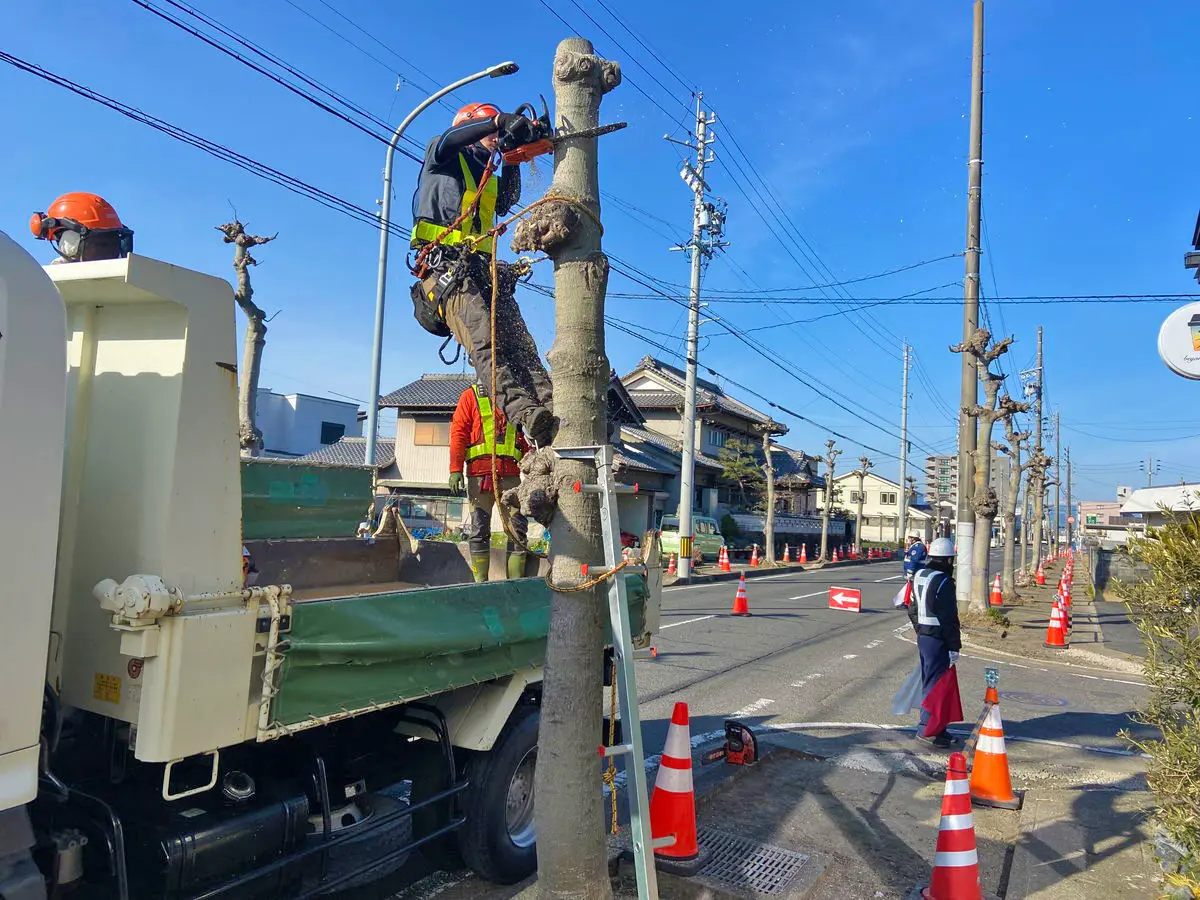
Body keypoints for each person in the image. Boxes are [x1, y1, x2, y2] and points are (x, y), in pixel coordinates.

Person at [410, 103, 555, 445]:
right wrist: (499, 121)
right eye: (487, 131)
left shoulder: (484, 172)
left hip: (483, 271)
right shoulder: (441, 153)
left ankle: (553, 406)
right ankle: (525, 414)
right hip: (447, 270)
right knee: (486, 345)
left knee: (522, 347)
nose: (493, 138)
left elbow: (505, 200)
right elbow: (453, 138)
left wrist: (514, 160)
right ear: (473, 126)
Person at [449, 383, 532, 582]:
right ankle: (481, 584)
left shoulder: (515, 397)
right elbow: (459, 432)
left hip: (511, 476)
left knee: (517, 532)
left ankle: (516, 585)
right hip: (480, 477)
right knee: (479, 530)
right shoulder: (471, 396)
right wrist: (455, 469)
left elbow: (526, 437)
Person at [907, 536, 962, 748]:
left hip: (924, 637)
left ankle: (938, 727)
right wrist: (954, 646)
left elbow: (910, 607)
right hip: (938, 639)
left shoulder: (920, 575)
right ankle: (927, 729)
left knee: (931, 681)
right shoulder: (944, 581)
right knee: (935, 685)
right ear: (948, 560)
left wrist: (919, 629)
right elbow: (949, 617)